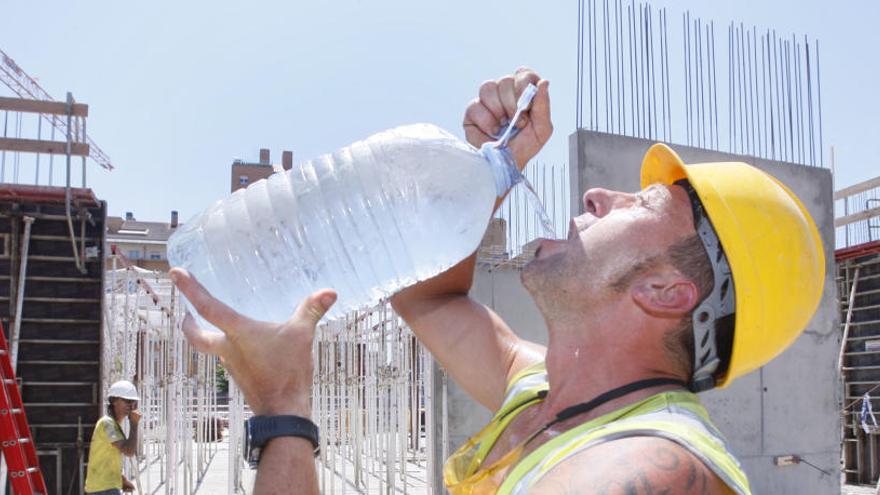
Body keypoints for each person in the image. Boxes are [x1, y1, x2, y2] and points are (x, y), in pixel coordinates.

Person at [170, 67, 824, 495]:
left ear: (665, 292)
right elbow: (431, 293)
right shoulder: (543, 387)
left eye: (642, 204)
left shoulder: (644, 470)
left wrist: (283, 405)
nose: (599, 194)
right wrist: (491, 172)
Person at [84, 380, 140, 494]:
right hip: (103, 489)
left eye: (133, 402)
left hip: (105, 487)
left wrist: (121, 480)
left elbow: (108, 460)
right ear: (114, 400)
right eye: (127, 401)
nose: (131, 406)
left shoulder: (113, 425)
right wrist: (134, 425)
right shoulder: (107, 424)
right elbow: (129, 451)